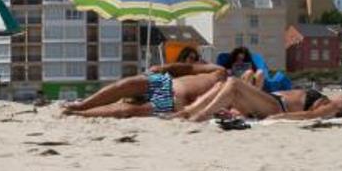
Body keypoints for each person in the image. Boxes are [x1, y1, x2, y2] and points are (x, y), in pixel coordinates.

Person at [62, 60, 225, 118]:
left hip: (178, 100)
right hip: (167, 83)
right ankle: (83, 105)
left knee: (127, 110)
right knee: (125, 85)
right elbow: (188, 68)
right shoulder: (219, 70)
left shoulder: (233, 92)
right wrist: (163, 67)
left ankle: (81, 113)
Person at [182, 76, 342, 122]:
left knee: (234, 82)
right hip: (270, 101)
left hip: (276, 107)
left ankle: (202, 115)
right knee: (221, 86)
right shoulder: (330, 102)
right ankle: (186, 112)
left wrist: (280, 118)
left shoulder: (333, 106)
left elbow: (308, 116)